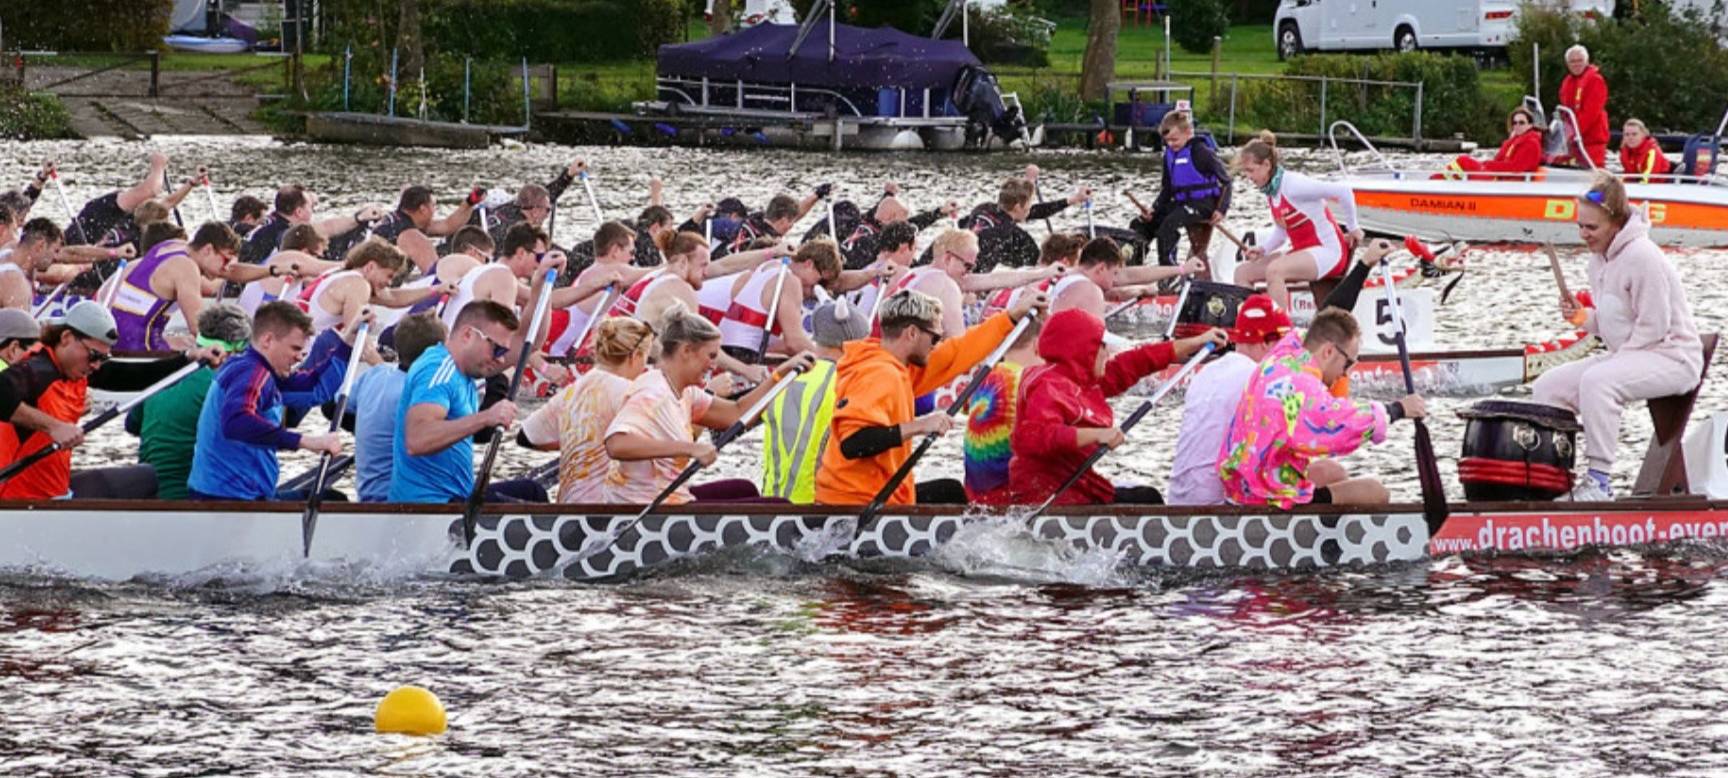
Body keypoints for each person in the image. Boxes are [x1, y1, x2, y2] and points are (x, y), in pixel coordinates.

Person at [1533, 173, 1704, 501]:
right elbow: (1616, 323)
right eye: (1580, 226)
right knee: (1548, 386)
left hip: (1674, 357)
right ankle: (1556, 476)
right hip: (1637, 351)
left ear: (1615, 222)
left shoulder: (1643, 256)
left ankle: (1599, 482)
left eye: (1591, 228)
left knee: (1599, 381)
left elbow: (1654, 326)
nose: (1584, 234)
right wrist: (1582, 318)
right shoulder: (1599, 261)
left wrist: (1616, 362)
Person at [816, 287, 1047, 506]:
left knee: (950, 491)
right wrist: (920, 425)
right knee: (953, 496)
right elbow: (854, 443)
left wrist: (1012, 318)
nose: (936, 346)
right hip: (855, 504)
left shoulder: (898, 365)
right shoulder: (880, 374)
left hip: (874, 494)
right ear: (912, 333)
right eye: (935, 338)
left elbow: (959, 351)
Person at [0, 302, 223, 499]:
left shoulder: (75, 368)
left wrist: (189, 358)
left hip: (53, 494)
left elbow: (131, 376)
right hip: (20, 500)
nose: (97, 365)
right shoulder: (38, 369)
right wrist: (54, 427)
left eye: (103, 358)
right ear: (67, 338)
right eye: (94, 355)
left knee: (146, 478)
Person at [1010, 311, 1226, 506]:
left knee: (1148, 496)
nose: (1108, 353)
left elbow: (1137, 361)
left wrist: (1197, 342)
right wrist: (1097, 435)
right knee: (1147, 500)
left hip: (1076, 488)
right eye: (1102, 346)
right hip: (1049, 498)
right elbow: (1034, 437)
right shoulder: (1049, 385)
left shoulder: (1082, 378)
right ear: (1082, 350)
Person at [602, 307, 814, 504]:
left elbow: (736, 413)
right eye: (711, 356)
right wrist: (690, 448)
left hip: (672, 498)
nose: (714, 365)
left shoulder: (686, 392)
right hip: (643, 507)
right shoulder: (654, 393)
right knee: (777, 506)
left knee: (744, 489)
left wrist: (780, 375)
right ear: (686, 351)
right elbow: (616, 444)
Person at [1218, 308, 1427, 508]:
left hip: (1244, 483)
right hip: (1266, 498)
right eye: (1347, 364)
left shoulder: (1284, 354)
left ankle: (1330, 536)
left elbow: (1314, 329)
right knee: (1376, 491)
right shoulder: (1302, 386)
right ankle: (1320, 540)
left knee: (1333, 471)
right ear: (1328, 351)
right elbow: (1340, 424)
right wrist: (1397, 409)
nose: (1344, 375)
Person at [186, 302, 366, 501]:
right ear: (268, 340)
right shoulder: (250, 372)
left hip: (235, 494)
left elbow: (315, 389)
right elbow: (236, 422)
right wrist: (306, 441)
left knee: (332, 498)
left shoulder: (259, 370)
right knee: (334, 501)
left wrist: (349, 341)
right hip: (230, 500)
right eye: (295, 348)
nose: (300, 356)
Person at [390, 300, 548, 503]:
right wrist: (486, 417)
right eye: (497, 350)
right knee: (532, 511)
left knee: (532, 492)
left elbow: (529, 343)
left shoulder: (464, 370)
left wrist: (542, 285)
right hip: (429, 506)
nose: (501, 360)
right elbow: (417, 440)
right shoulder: (438, 371)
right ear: (468, 335)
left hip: (456, 496)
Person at [1165, 295, 1291, 506]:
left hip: (1180, 500)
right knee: (1327, 473)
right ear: (1266, 343)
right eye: (1284, 343)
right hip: (1219, 507)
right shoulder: (1259, 379)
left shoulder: (1205, 372)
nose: (1288, 354)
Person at [519, 316, 655, 503]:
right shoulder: (629, 392)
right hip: (610, 507)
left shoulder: (574, 389)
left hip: (570, 504)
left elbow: (526, 436)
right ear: (635, 356)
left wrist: (577, 440)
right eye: (646, 358)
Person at [125, 304, 253, 500]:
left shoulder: (163, 374)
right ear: (233, 352)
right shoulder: (226, 387)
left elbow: (132, 425)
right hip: (193, 500)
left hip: (149, 496)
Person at [1232, 131, 1363, 312]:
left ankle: (1281, 331)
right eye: (1245, 171)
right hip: (1303, 252)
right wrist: (1263, 250)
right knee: (1242, 273)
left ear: (1267, 165)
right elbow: (1281, 232)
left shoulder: (1293, 185)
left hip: (1329, 251)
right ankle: (1254, 324)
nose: (1248, 177)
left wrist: (1353, 227)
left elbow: (1344, 192)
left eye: (1251, 170)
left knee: (1275, 270)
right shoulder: (1271, 191)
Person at [761, 299, 871, 503]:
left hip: (771, 506)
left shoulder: (786, 376)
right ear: (852, 344)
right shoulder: (849, 383)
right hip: (818, 508)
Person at [879, 228, 1056, 338]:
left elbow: (995, 279)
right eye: (967, 266)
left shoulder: (915, 273)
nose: (969, 272)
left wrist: (1045, 273)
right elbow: (957, 345)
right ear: (948, 258)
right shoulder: (944, 285)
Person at [352, 312, 447, 502]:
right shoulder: (424, 394)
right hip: (404, 501)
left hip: (369, 493)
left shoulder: (375, 375)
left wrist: (372, 428)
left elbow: (330, 408)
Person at [107, 222, 244, 351]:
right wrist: (234, 350)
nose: (226, 268)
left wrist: (265, 272)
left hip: (115, 342)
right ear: (207, 249)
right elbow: (199, 330)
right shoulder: (186, 267)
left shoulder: (170, 245)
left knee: (184, 342)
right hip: (140, 349)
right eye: (226, 260)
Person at [711, 237, 840, 362]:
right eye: (820, 281)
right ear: (809, 264)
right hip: (744, 356)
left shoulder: (770, 265)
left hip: (726, 348)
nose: (815, 290)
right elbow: (794, 343)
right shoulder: (790, 281)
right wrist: (833, 361)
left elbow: (773, 344)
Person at [1133, 111, 1232, 267]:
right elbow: (1167, 189)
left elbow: (1227, 182)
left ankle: (1168, 272)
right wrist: (1154, 209)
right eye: (1167, 141)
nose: (1171, 144)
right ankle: (1135, 265)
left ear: (1188, 133)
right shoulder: (1169, 155)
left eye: (1175, 139)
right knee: (1141, 223)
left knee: (1168, 226)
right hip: (1181, 202)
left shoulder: (1202, 152)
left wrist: (1221, 209)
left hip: (1203, 204)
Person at [962, 312, 1042, 505]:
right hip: (1011, 501)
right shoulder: (1030, 384)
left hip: (975, 497)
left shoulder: (982, 379)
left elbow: (966, 408)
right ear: (1038, 345)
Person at [955, 170, 1089, 271]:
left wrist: (1074, 199)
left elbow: (961, 223)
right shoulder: (1014, 235)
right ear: (1018, 207)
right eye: (1028, 206)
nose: (1031, 210)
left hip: (955, 260)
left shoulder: (982, 208)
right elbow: (1038, 267)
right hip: (972, 278)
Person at [1438, 108, 1544, 180]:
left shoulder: (1531, 144)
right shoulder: (1515, 141)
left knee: (1463, 162)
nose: (1517, 126)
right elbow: (1499, 159)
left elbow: (1517, 168)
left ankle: (1439, 186)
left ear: (1530, 125)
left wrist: (1488, 165)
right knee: (1463, 161)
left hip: (1506, 182)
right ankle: (1440, 183)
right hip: (1499, 177)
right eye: (1514, 123)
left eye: (1521, 123)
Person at [714, 190, 823, 258]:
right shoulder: (766, 242)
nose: (791, 226)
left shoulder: (756, 219)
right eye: (791, 223)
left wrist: (816, 195)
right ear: (783, 221)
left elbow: (798, 212)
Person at [1558, 45, 1610, 169]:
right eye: (1572, 61)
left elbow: (1590, 114)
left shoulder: (1595, 81)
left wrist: (1570, 135)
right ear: (1567, 64)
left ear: (1587, 61)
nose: (1576, 64)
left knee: (1592, 178)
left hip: (1591, 142)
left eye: (1579, 60)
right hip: (1575, 141)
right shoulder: (1568, 82)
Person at [1618, 118, 1673, 184]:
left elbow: (1649, 179)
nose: (1630, 137)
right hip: (1641, 185)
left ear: (1643, 134)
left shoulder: (1652, 151)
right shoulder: (1625, 152)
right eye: (1627, 134)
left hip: (1662, 186)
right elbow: (1628, 176)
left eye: (1634, 134)